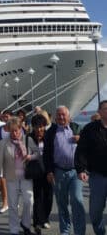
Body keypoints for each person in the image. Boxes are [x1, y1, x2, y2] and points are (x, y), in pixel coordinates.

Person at [43, 106, 85, 235]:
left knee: (77, 201)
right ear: (55, 118)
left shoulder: (77, 128)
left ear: (69, 117)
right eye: (59, 115)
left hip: (75, 172)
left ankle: (79, 232)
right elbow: (47, 153)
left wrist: (81, 140)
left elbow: (86, 149)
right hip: (59, 172)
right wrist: (49, 171)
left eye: (64, 115)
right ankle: (65, 231)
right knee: (62, 204)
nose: (61, 117)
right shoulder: (51, 132)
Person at [0, 117, 40, 235]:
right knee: (13, 205)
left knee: (29, 200)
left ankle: (25, 223)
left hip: (26, 176)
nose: (15, 133)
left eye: (17, 130)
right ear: (9, 130)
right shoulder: (3, 142)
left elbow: (37, 153)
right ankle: (14, 230)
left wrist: (30, 157)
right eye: (12, 131)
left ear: (21, 129)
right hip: (10, 178)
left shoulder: (27, 139)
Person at [75, 100, 107, 235]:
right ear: (99, 112)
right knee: (95, 211)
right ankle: (100, 232)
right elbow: (81, 150)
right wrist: (81, 169)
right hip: (97, 175)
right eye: (105, 108)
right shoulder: (90, 129)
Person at [29, 114, 53, 234]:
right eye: (37, 127)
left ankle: (45, 218)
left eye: (42, 126)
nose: (39, 129)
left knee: (49, 197)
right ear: (33, 127)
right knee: (38, 197)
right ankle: (37, 222)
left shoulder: (48, 137)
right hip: (35, 172)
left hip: (48, 172)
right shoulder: (29, 138)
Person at [0, 111, 13, 214]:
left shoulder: (15, 128)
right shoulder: (0, 128)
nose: (6, 118)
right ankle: (5, 203)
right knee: (3, 180)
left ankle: (12, 200)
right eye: (4, 117)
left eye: (7, 116)